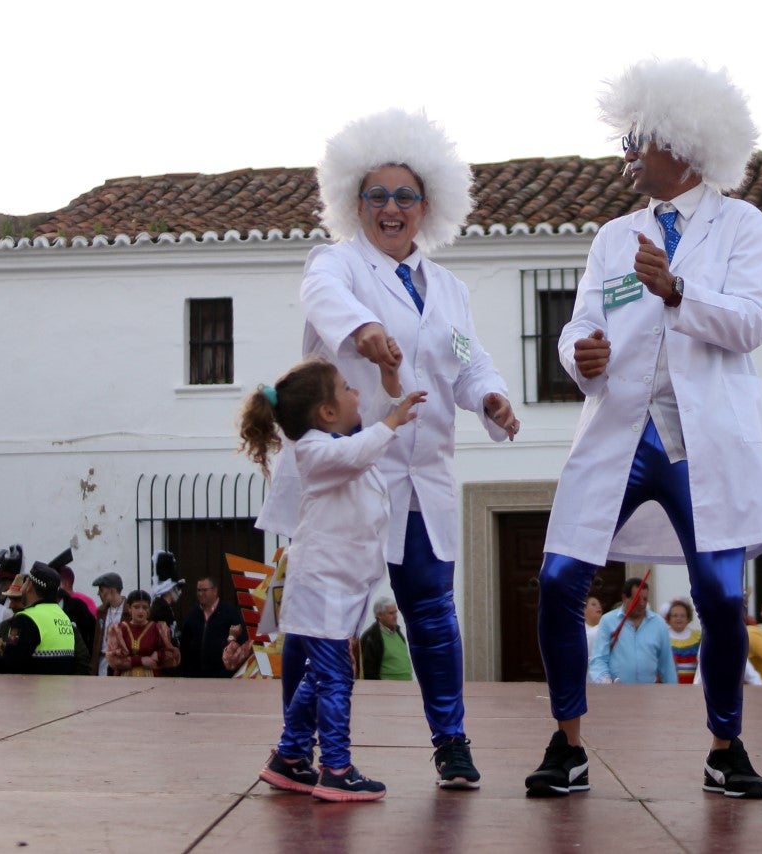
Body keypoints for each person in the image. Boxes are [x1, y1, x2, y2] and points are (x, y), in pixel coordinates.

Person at [526, 58, 762, 800]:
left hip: (702, 441)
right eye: (625, 138)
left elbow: (754, 322)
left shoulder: (741, 226)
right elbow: (580, 323)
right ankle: (567, 744)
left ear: (686, 144)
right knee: (558, 579)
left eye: (638, 138)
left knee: (722, 595)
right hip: (620, 432)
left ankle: (725, 746)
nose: (626, 151)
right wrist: (582, 354)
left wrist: (678, 289)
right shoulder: (612, 237)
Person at [282, 107, 519, 789]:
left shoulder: (448, 290)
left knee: (433, 615)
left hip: (423, 480)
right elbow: (323, 297)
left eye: (405, 195)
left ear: (427, 207)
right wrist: (362, 331)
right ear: (354, 204)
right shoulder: (337, 264)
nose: (391, 207)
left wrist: (491, 396)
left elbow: (468, 359)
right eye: (377, 195)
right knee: (324, 621)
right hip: (352, 478)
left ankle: (451, 742)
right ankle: (297, 750)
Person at [241, 355, 425, 802]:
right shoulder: (316, 451)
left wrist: (387, 393)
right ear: (325, 412)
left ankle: (289, 757)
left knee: (319, 677)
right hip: (322, 586)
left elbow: (362, 457)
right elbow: (360, 451)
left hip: (337, 588)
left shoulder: (337, 448)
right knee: (336, 677)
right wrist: (392, 421)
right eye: (346, 388)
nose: (355, 392)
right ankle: (337, 768)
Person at [0, 563, 77, 675]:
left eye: (25, 582)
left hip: (35, 691)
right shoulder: (63, 616)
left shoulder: (25, 619)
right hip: (61, 691)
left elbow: (9, 667)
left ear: (29, 585)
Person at [589, 577, 676, 685]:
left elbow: (667, 664)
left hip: (650, 693)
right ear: (625, 598)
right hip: (617, 693)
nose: (642, 603)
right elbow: (598, 659)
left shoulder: (659, 624)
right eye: (637, 599)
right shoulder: (608, 621)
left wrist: (673, 693)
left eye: (645, 599)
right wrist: (604, 680)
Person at [180, 577, 245, 678]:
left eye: (204, 590)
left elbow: (241, 642)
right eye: (199, 590)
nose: (200, 594)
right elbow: (184, 645)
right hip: (194, 677)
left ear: (215, 591)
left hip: (222, 677)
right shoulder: (192, 615)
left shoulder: (230, 613)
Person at [105, 590, 180, 677]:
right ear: (129, 608)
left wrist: (159, 655)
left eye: (145, 607)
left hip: (151, 678)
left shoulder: (158, 629)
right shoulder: (118, 630)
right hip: (125, 679)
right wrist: (141, 660)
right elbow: (112, 659)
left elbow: (174, 656)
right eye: (136, 607)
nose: (141, 611)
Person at [359, 596, 411, 681]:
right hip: (387, 689)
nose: (395, 616)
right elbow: (368, 671)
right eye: (391, 613)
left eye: (395, 612)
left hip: (407, 685)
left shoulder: (398, 632)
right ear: (379, 615)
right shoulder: (371, 637)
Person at [91, 572, 126, 676]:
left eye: (101, 590)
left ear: (112, 590)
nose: (98, 594)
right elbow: (97, 642)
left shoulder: (129, 610)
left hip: (122, 663)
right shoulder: (101, 611)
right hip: (103, 662)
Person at [666, 599, 701, 684]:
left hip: (693, 686)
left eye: (682, 615)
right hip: (669, 686)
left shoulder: (698, 637)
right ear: (669, 618)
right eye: (675, 615)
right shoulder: (663, 637)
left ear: (688, 618)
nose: (679, 618)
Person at [583, 595, 604, 663]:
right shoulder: (579, 631)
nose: (599, 606)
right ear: (584, 610)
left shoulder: (606, 629)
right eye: (593, 604)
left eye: (600, 605)